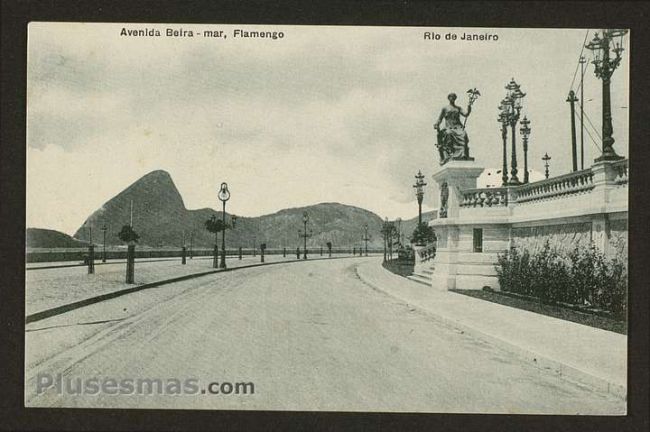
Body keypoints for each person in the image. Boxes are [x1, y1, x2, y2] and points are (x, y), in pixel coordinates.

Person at [434, 93, 471, 164]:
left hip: (458, 127)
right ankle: (450, 155)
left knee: (464, 134)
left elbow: (466, 114)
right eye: (451, 97)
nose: (452, 98)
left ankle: (463, 154)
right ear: (449, 98)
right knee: (448, 133)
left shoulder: (458, 108)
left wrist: (469, 108)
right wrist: (436, 124)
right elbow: (440, 119)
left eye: (454, 97)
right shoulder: (445, 108)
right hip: (449, 127)